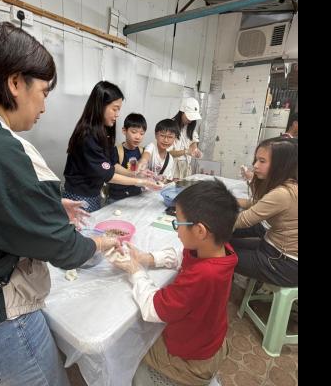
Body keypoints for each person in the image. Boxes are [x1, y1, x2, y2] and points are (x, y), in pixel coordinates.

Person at [0, 22, 119, 386]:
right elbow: (63, 248)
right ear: (15, 83)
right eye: (44, 92)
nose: (44, 107)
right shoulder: (6, 149)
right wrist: (102, 241)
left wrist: (46, 204)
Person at [111, 180, 239, 385]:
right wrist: (146, 258)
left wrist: (134, 270)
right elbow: (182, 255)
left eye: (178, 223)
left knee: (127, 346)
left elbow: (153, 309)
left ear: (200, 231)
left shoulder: (204, 275)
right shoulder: (217, 249)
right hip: (210, 337)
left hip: (191, 357)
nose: (177, 230)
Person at [63, 81, 161, 212]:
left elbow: (109, 166)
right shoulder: (87, 136)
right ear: (100, 106)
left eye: (119, 109)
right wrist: (142, 181)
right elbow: (107, 175)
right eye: (115, 109)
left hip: (93, 193)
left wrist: (136, 173)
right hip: (79, 196)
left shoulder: (103, 131)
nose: (117, 114)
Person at [231, 137, 298, 287]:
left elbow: (242, 220)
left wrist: (206, 218)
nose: (255, 166)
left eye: (262, 161)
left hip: (284, 263)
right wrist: (230, 199)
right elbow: (259, 204)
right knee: (225, 242)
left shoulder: (283, 193)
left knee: (214, 251)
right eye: (256, 160)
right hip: (274, 249)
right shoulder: (289, 185)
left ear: (281, 165)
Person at [107, 113, 148, 203]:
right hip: (117, 198)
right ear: (124, 131)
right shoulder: (116, 151)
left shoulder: (142, 151)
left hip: (136, 195)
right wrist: (134, 174)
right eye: (134, 132)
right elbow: (114, 168)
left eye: (141, 133)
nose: (138, 137)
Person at [169, 97, 203, 179]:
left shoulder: (190, 127)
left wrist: (196, 151)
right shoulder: (170, 126)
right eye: (189, 116)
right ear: (182, 112)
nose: (190, 120)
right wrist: (186, 151)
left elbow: (193, 145)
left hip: (185, 168)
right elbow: (168, 152)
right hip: (171, 168)